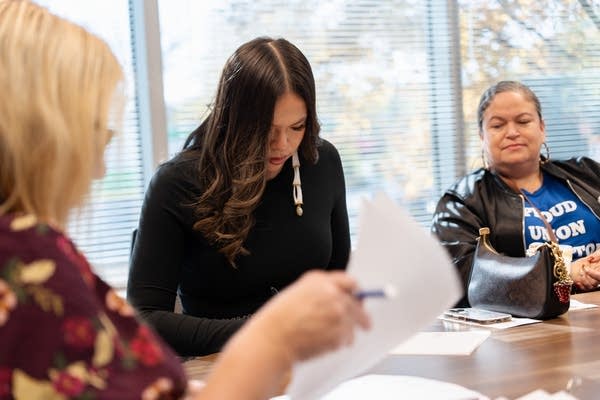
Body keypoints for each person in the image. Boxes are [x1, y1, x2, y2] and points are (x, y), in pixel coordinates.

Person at [0, 1, 370, 399]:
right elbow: (144, 336)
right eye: (95, 135)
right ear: (36, 138)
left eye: (296, 128)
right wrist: (270, 334)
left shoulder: (41, 253)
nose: (99, 170)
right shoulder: (30, 264)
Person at [127, 37, 351, 356]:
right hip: (221, 367)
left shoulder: (321, 160)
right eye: (267, 129)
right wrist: (268, 331)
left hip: (312, 361)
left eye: (297, 127)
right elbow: (143, 320)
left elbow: (338, 279)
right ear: (236, 121)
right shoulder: (177, 183)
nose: (283, 144)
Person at [432, 80, 600, 307]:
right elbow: (459, 279)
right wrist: (563, 274)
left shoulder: (588, 173)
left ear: (542, 128)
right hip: (528, 331)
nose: (512, 132)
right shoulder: (461, 202)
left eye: (523, 121)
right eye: (498, 125)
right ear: (482, 136)